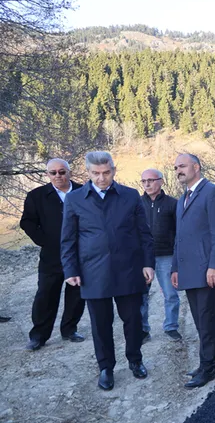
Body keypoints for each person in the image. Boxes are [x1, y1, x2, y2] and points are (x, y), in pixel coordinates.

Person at [61, 151, 154, 391]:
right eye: (96, 173)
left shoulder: (130, 196)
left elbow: (144, 233)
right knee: (100, 324)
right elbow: (68, 239)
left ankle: (135, 360)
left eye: (106, 172)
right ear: (88, 173)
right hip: (93, 272)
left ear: (114, 170)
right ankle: (106, 368)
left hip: (129, 269)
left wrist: (148, 263)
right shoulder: (75, 199)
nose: (101, 178)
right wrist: (70, 269)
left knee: (133, 320)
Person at [171, 153, 215, 388]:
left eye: (182, 166)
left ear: (196, 167)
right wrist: (175, 267)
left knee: (206, 320)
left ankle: (207, 369)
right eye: (176, 167)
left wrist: (214, 266)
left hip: (207, 270)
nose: (178, 170)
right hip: (189, 271)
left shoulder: (213, 192)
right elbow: (179, 237)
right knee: (200, 320)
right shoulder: (182, 199)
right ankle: (213, 361)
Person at [19, 159, 86, 351]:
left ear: (69, 172)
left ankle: (69, 329)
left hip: (80, 254)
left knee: (76, 294)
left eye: (62, 172)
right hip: (51, 255)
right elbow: (27, 222)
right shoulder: (37, 196)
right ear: (47, 174)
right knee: (46, 295)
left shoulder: (84, 192)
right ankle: (38, 336)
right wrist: (44, 241)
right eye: (53, 172)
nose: (58, 176)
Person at [139, 168, 181, 342]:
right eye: (144, 181)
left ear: (161, 181)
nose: (147, 184)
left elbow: (179, 231)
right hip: (143, 257)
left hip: (166, 255)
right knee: (141, 295)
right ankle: (142, 330)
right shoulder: (136, 204)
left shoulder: (173, 204)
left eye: (151, 180)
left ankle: (171, 327)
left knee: (170, 294)